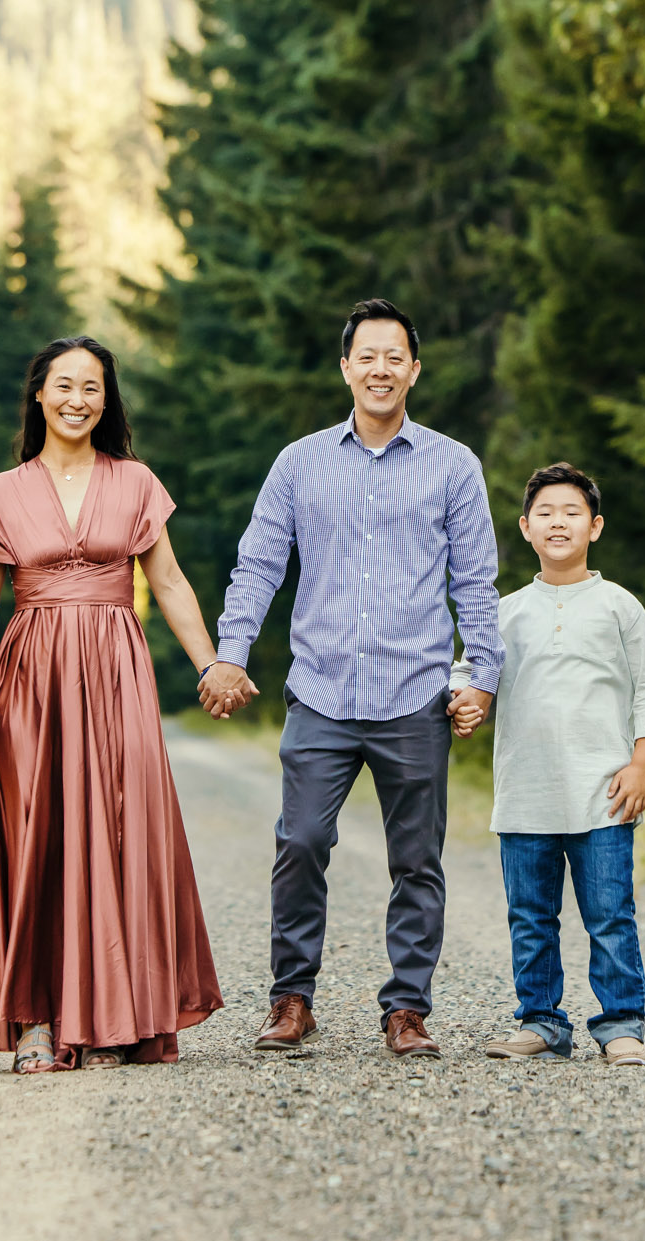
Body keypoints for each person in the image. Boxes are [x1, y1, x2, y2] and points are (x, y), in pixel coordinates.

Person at [202, 298, 504, 1059]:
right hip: (323, 691)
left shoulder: (452, 464)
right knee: (300, 842)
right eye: (365, 355)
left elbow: (476, 583)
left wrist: (482, 676)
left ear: (413, 369)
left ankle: (407, 1007)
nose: (380, 368)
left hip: (416, 697)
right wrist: (230, 652)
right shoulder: (300, 462)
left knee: (417, 861)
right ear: (346, 367)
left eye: (393, 356)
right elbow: (260, 564)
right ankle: (291, 998)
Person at [0, 336, 226, 1072]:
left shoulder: (134, 480)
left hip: (115, 672)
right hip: (30, 676)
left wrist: (210, 662)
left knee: (120, 833)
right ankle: (37, 1020)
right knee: (39, 840)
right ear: (38, 393)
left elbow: (166, 581)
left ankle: (113, 1017)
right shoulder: (2, 493)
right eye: (65, 384)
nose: (78, 399)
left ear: (108, 400)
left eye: (93, 387)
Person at [482, 462, 645, 1066]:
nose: (557, 522)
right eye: (545, 513)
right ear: (524, 528)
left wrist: (641, 765)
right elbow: (473, 672)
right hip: (525, 791)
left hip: (603, 793)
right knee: (530, 918)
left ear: (595, 527)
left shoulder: (619, 606)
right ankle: (541, 1022)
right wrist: (465, 698)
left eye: (571, 513)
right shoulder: (504, 611)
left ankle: (621, 1026)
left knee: (610, 917)